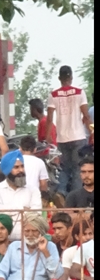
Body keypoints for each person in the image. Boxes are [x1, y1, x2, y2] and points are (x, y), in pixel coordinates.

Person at [46, 65, 91, 196]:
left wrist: (48, 136)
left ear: (59, 78)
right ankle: (75, 197)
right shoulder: (79, 92)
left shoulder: (53, 94)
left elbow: (49, 118)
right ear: (71, 77)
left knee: (64, 168)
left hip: (62, 138)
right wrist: (92, 131)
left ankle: (61, 193)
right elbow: (86, 115)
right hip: (78, 136)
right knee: (78, 169)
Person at [0, 151, 40, 238]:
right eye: (16, 167)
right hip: (5, 240)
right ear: (7, 171)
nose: (21, 170)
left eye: (22, 166)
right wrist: (23, 210)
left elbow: (36, 213)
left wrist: (9, 213)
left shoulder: (33, 190)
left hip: (28, 239)